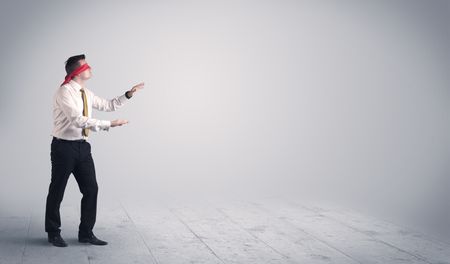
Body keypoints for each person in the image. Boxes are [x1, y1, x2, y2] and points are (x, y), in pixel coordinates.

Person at [45, 54, 144, 247]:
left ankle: (86, 233)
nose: (90, 68)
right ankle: (53, 232)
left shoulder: (85, 93)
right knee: (57, 190)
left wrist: (128, 94)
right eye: (86, 66)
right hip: (63, 148)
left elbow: (107, 105)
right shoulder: (64, 92)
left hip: (82, 147)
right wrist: (110, 124)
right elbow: (78, 120)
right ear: (77, 71)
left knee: (91, 189)